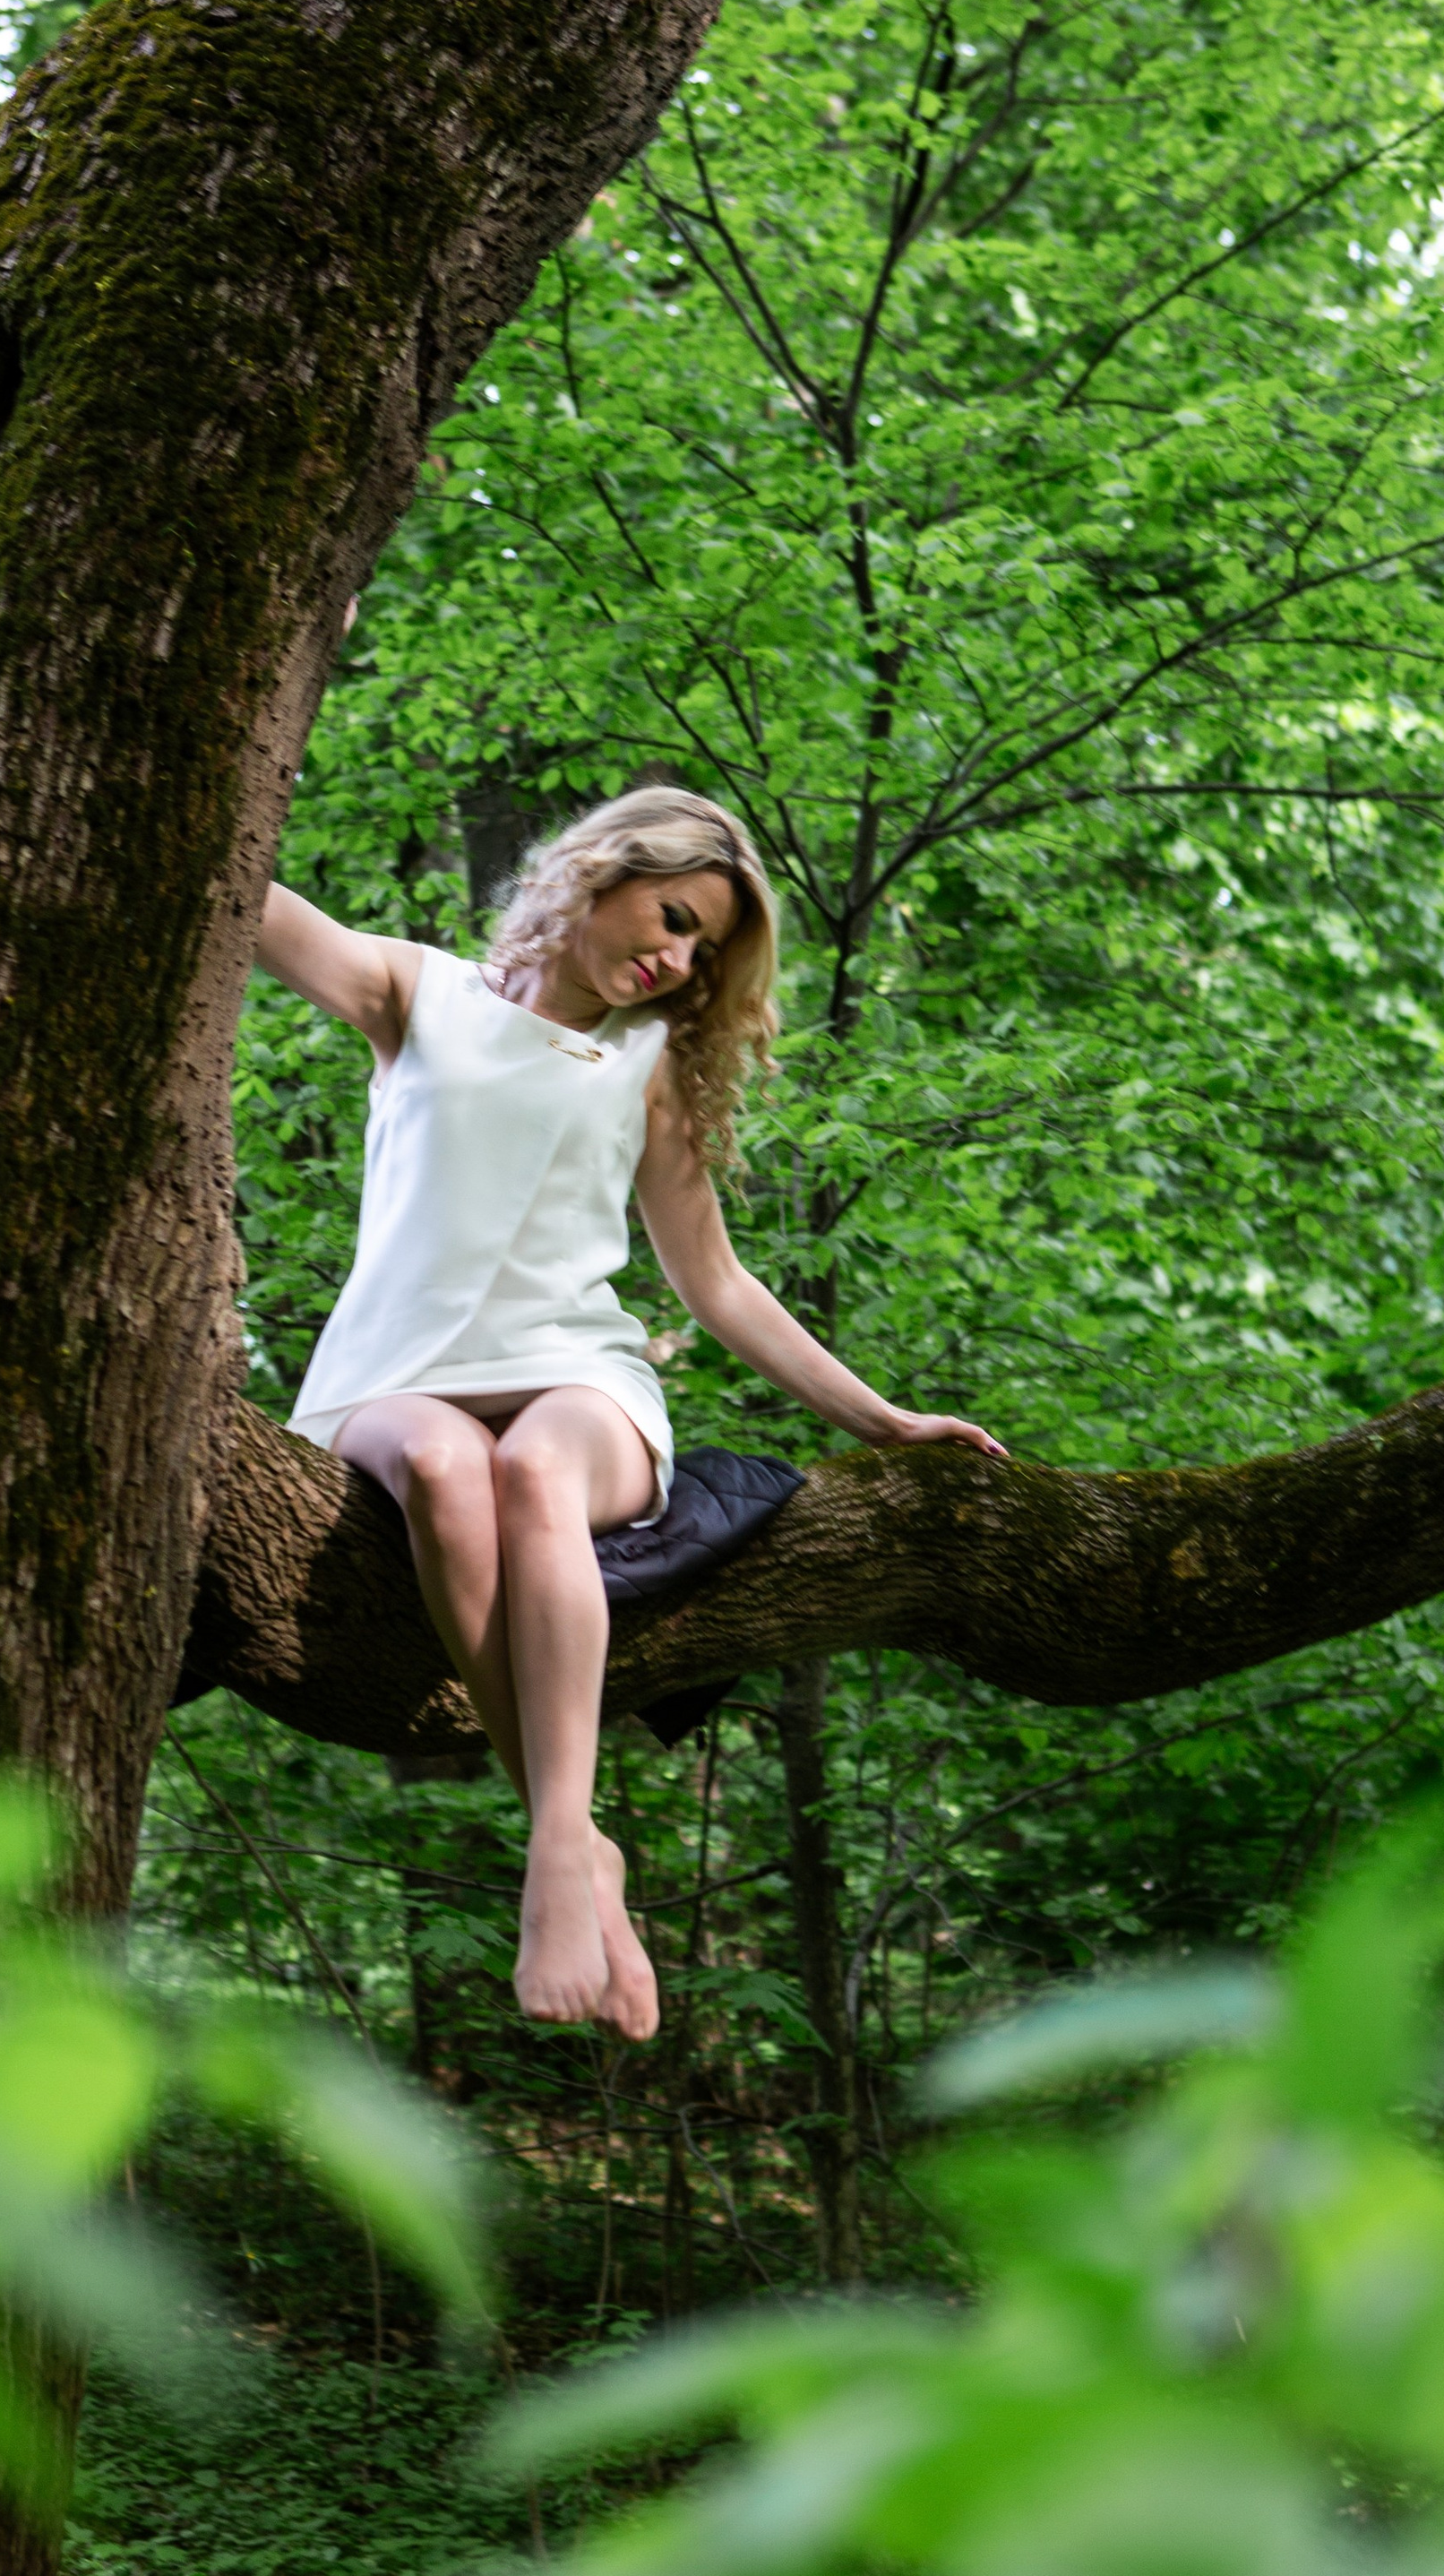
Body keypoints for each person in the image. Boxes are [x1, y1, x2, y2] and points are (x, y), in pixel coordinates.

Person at [254, 787, 1007, 2043]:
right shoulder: (413, 994)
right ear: (599, 874)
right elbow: (238, 897)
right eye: (671, 918)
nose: (678, 959)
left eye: (703, 949)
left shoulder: (649, 1068)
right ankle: (584, 1849)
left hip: (576, 1376)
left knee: (533, 1476)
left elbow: (713, 1284)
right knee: (445, 1473)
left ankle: (554, 1850)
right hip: (392, 1376)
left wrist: (881, 1417)